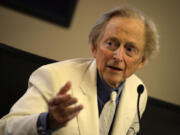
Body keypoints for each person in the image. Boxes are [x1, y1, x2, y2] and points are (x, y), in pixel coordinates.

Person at [0, 6, 159, 135]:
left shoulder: (139, 91)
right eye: (111, 43)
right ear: (94, 47)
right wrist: (46, 121)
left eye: (130, 49)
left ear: (142, 61)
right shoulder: (53, 76)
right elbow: (5, 128)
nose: (118, 56)